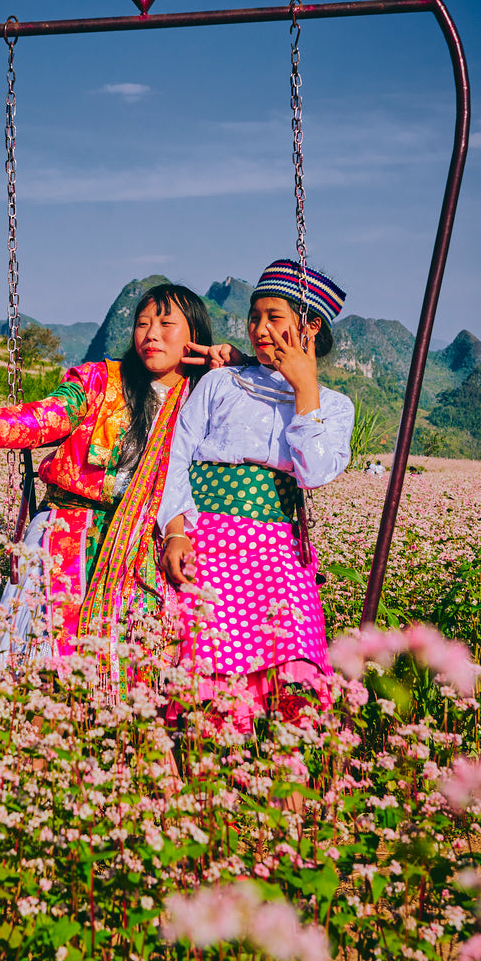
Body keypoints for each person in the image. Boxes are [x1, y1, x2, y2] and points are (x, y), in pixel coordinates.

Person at [0, 283, 228, 669]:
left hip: (146, 547)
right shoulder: (99, 381)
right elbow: (39, 419)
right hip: (66, 532)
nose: (151, 335)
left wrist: (234, 364)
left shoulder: (209, 399)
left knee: (135, 666)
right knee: (36, 653)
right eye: (142, 323)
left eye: (166, 323)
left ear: (194, 337)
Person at [158, 259, 355, 727]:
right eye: (254, 317)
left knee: (293, 659)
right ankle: (211, 777)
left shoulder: (334, 406)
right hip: (208, 541)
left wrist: (304, 388)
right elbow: (176, 458)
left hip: (278, 551)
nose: (260, 328)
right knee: (209, 669)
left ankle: (288, 784)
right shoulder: (221, 382)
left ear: (308, 329)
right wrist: (175, 532)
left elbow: (314, 473)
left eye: (274, 317)